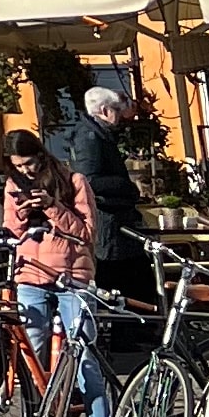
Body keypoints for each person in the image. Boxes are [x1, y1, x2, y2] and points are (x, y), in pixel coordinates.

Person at [1, 127, 111, 417]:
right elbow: (11, 232)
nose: (26, 171)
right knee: (32, 357)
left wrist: (51, 206)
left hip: (71, 276)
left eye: (30, 163)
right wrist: (21, 214)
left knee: (84, 355)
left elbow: (88, 233)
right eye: (18, 167)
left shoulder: (73, 181)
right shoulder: (12, 186)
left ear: (41, 155)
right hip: (30, 277)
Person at [49, 80, 153, 300]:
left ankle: (136, 328)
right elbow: (89, 180)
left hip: (114, 226)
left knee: (132, 285)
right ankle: (133, 331)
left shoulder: (96, 134)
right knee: (129, 288)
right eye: (116, 110)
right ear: (105, 111)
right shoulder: (90, 137)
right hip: (111, 227)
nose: (121, 116)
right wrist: (128, 188)